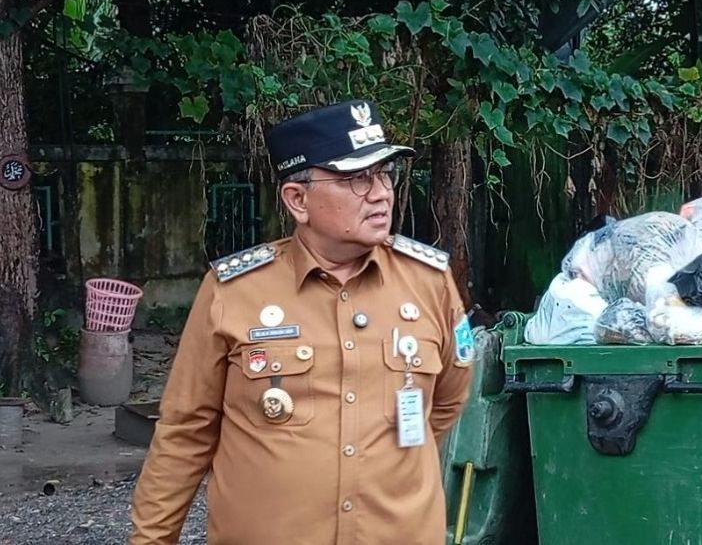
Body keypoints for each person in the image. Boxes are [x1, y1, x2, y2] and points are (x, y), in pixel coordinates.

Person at [130, 99, 476, 545]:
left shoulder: (428, 281)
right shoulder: (234, 292)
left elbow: (447, 401)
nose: (380, 193)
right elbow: (185, 431)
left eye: (385, 173)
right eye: (356, 178)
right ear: (298, 199)